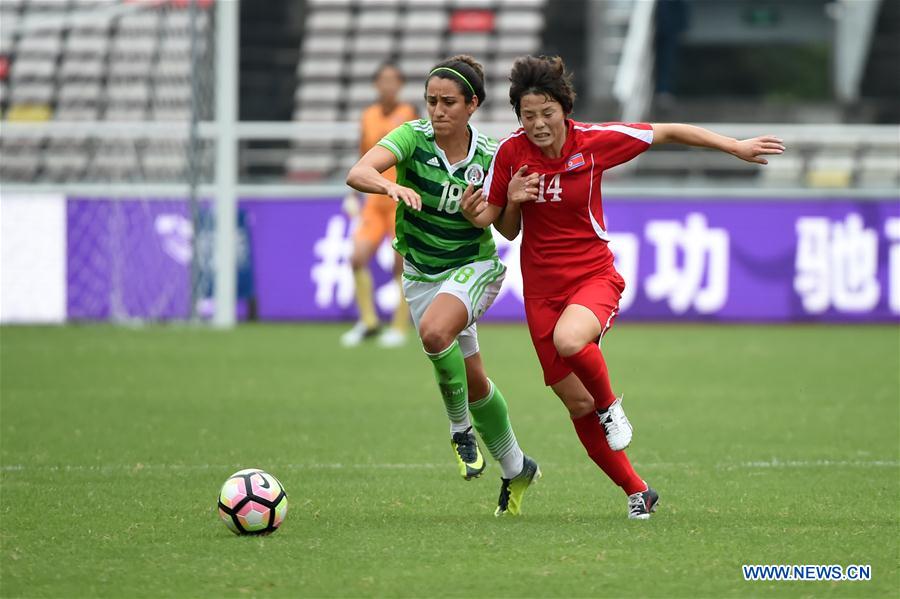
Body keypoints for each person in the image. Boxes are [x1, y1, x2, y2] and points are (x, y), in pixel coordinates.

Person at [462, 55, 785, 519]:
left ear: (564, 109)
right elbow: (506, 230)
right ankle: (639, 492)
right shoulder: (511, 154)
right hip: (541, 293)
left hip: (593, 277)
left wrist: (734, 146)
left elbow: (668, 131)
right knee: (576, 403)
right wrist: (508, 202)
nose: (537, 123)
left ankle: (612, 406)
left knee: (572, 341)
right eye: (528, 114)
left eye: (546, 112)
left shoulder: (593, 142)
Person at [346, 55, 540, 516]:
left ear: (472, 104)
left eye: (448, 102)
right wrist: (388, 187)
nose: (437, 110)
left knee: (435, 334)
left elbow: (508, 230)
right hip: (421, 274)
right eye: (432, 101)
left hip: (474, 268)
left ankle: (459, 431)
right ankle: (516, 466)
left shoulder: (492, 156)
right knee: (473, 382)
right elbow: (358, 172)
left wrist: (499, 207)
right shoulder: (413, 137)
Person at [341, 63, 418, 348]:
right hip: (374, 201)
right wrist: (352, 194)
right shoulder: (368, 116)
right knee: (357, 258)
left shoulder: (409, 115)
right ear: (376, 84)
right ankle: (369, 322)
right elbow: (363, 156)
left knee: (401, 264)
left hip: (400, 199)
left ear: (400, 84)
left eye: (393, 80)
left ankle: (399, 327)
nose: (388, 86)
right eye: (383, 80)